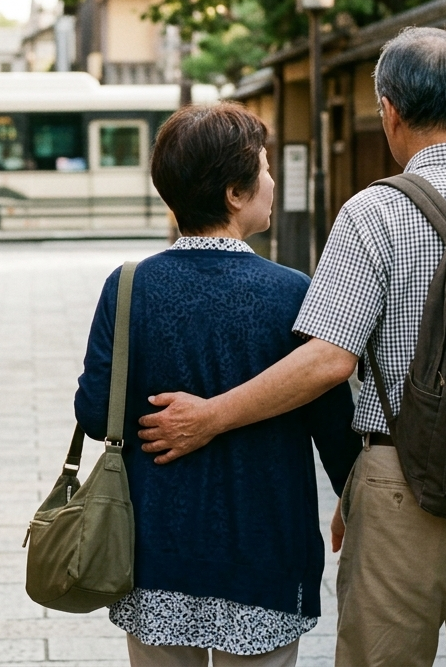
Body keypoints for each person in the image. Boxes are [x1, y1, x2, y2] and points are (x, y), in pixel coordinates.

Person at [136, 27, 446, 667]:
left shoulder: (373, 214)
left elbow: (331, 361)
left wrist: (211, 416)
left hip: (402, 485)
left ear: (388, 111)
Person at [74, 103, 361, 667]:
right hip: (266, 550)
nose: (272, 181)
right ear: (235, 192)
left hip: (158, 550)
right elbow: (335, 431)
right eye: (264, 168)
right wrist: (354, 499)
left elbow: (93, 412)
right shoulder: (292, 292)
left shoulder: (130, 286)